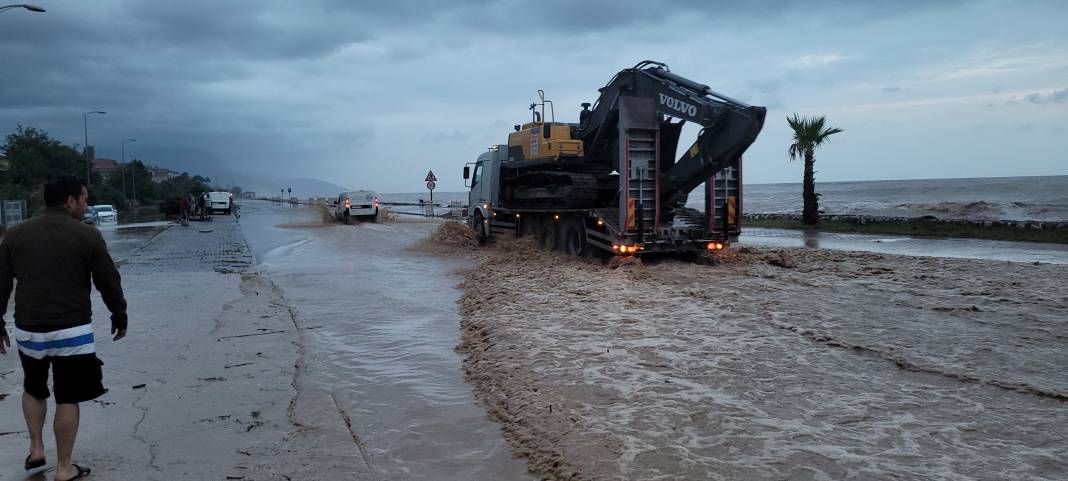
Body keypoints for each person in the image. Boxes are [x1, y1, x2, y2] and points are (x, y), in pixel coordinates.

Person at [0, 176, 128, 481]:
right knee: (68, 396)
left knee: (33, 388)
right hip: (72, 332)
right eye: (84, 198)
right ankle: (64, 467)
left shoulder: (16, 235)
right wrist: (118, 315)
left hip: (28, 331)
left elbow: (1, 284)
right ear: (70, 201)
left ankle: (36, 449)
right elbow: (108, 281)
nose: (86, 204)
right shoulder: (87, 235)